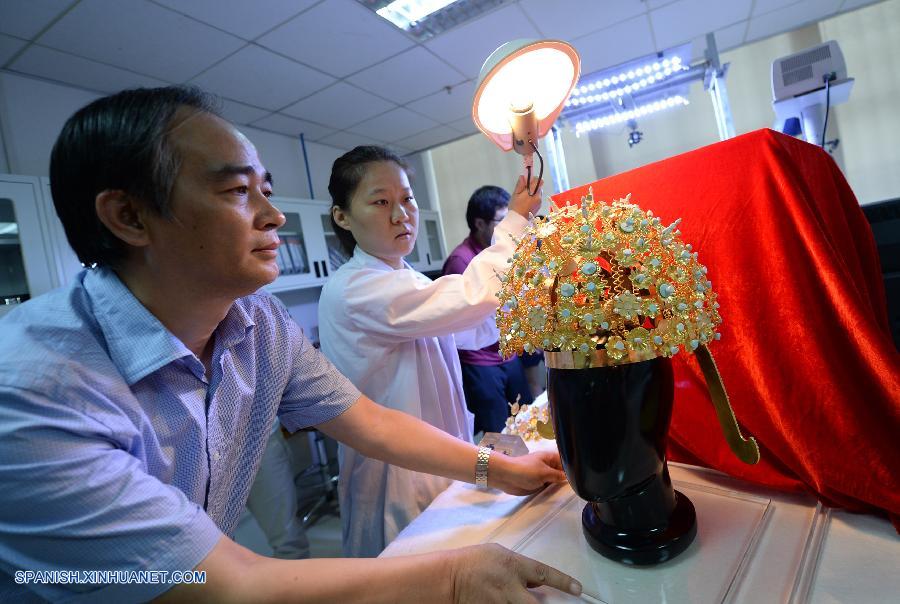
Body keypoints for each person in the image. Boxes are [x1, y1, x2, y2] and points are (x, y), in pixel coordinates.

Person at [0, 86, 582, 603]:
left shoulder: (257, 320)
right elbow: (224, 584)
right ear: (129, 216)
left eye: (267, 191)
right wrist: (452, 580)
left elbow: (371, 423)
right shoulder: (34, 388)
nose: (274, 216)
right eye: (236, 190)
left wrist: (496, 469)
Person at [318, 148, 540, 557]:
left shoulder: (410, 279)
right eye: (381, 201)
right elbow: (472, 295)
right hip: (399, 480)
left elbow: (468, 330)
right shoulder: (353, 289)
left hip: (443, 460)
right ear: (342, 217)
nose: (401, 214)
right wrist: (516, 221)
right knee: (416, 573)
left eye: (407, 198)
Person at [442, 185, 535, 435]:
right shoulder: (460, 261)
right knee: (498, 436)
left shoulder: (501, 250)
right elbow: (470, 318)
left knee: (526, 420)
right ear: (479, 223)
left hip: (507, 354)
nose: (506, 228)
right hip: (481, 361)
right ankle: (505, 474)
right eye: (501, 220)